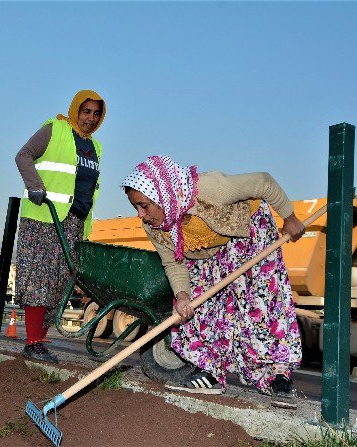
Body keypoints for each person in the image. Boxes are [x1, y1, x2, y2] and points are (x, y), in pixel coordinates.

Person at [121, 155, 305, 408]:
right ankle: (210, 372)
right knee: (201, 306)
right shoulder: (155, 225)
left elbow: (264, 182)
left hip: (248, 235)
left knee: (261, 305)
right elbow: (174, 262)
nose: (140, 215)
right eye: (135, 208)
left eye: (143, 205)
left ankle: (278, 376)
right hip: (208, 251)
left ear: (163, 193)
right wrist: (183, 294)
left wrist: (290, 217)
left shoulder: (209, 189)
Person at [15, 89, 106, 363]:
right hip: (45, 217)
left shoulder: (95, 147)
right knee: (40, 278)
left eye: (96, 113)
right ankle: (32, 342)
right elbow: (23, 155)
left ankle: (41, 337)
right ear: (76, 110)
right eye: (86, 111)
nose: (90, 118)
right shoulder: (54, 129)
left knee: (60, 282)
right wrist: (35, 186)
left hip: (74, 222)